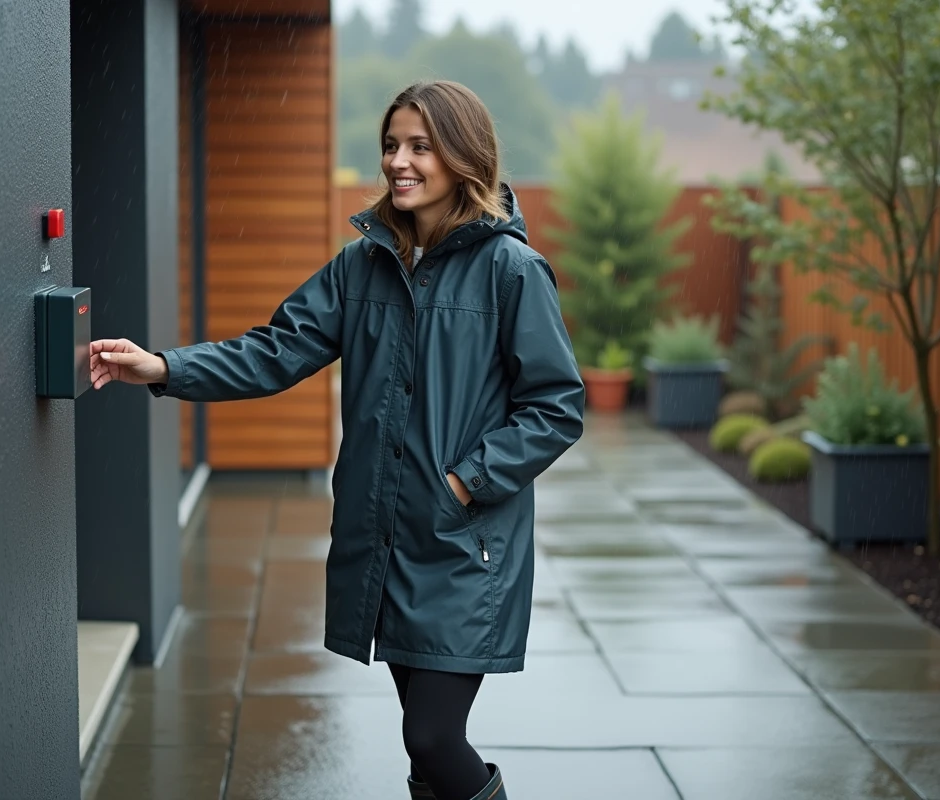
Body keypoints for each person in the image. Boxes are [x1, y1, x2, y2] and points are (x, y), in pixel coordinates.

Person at [89, 80, 584, 800]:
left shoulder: (510, 271)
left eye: (420, 146)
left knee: (434, 738)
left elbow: (556, 405)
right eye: (391, 145)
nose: (399, 162)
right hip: (382, 540)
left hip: (461, 545)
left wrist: (465, 481)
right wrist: (163, 366)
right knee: (423, 749)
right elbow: (275, 350)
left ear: (462, 156)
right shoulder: (364, 266)